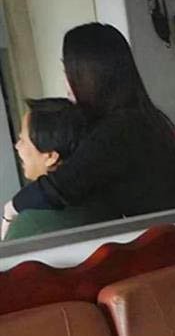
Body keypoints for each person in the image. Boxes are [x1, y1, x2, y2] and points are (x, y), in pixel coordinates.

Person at [2, 23, 175, 227]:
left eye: (68, 71)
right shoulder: (144, 117)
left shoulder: (119, 131)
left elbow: (57, 188)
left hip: (173, 239)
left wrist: (10, 210)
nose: (66, 83)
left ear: (90, 75)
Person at [2, 98, 117, 240]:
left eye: (23, 140)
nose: (17, 146)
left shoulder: (30, 224)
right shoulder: (107, 201)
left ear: (51, 157)